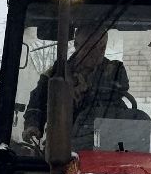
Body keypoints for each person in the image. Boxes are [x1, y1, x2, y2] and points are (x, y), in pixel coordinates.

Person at [22, 20, 139, 152]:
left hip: (106, 145)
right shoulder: (57, 73)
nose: (97, 52)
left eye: (102, 47)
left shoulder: (114, 71)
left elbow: (117, 95)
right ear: (76, 45)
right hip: (62, 147)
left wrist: (89, 89)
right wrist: (33, 124)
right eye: (91, 47)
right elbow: (38, 102)